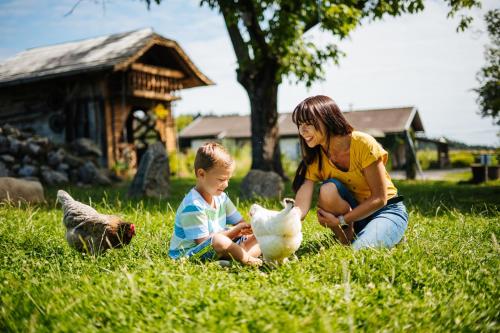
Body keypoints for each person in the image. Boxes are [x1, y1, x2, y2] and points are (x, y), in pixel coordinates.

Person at [292, 95, 408, 250]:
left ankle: (386, 230)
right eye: (299, 124)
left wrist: (341, 220)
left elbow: (380, 199)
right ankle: (346, 237)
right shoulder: (315, 157)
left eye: (308, 123)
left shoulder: (363, 143)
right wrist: (277, 222)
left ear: (327, 119)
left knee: (361, 252)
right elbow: (301, 206)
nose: (302, 130)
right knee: (328, 189)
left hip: (385, 210)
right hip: (354, 218)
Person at [168, 142, 262, 266]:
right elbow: (205, 243)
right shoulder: (193, 205)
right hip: (191, 254)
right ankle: (246, 259)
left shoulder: (222, 198)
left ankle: (236, 258)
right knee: (219, 240)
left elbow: (240, 224)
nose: (226, 184)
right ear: (201, 174)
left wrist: (253, 227)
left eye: (228, 179)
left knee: (261, 235)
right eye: (221, 179)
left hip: (221, 245)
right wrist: (234, 231)